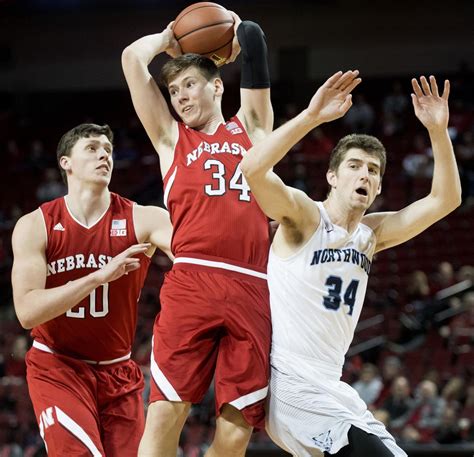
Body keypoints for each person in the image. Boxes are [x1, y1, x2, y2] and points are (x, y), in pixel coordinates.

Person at [240, 72, 461, 456]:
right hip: (290, 385)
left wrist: (438, 131)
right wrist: (311, 117)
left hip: (333, 387)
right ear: (332, 176)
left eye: (373, 170)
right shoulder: (304, 218)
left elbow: (445, 200)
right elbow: (254, 169)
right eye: (355, 165)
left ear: (378, 187)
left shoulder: (371, 235)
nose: (365, 174)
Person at [121, 12, 273, 457]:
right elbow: (133, 58)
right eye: (173, 90)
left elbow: (254, 38)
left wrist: (229, 32)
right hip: (193, 280)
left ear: (218, 85)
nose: (181, 96)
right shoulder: (170, 139)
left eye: (190, 84)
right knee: (166, 411)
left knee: (238, 423)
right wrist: (169, 38)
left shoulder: (254, 128)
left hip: (253, 283)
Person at [11, 123, 173, 456]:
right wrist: (98, 277)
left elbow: (198, 251)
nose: (103, 154)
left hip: (119, 372)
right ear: (65, 162)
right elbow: (27, 312)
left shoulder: (144, 219)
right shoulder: (35, 224)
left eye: (107, 150)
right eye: (92, 148)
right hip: (58, 368)